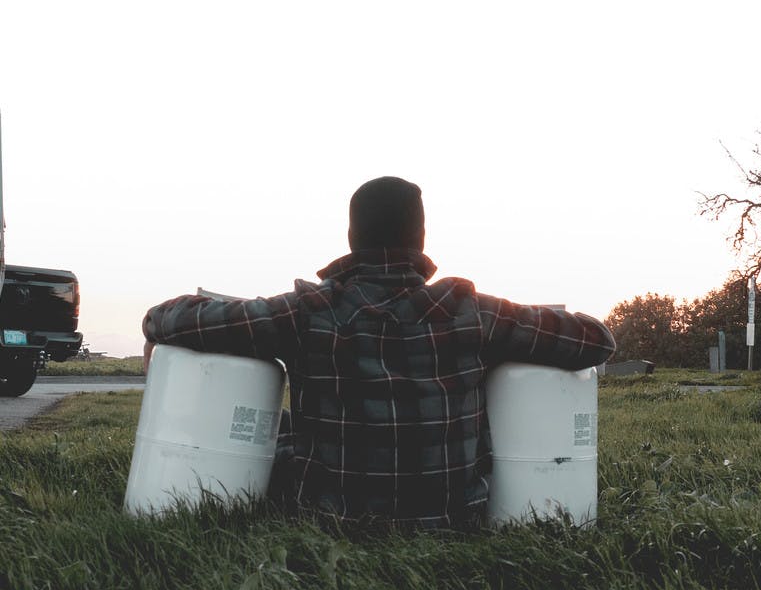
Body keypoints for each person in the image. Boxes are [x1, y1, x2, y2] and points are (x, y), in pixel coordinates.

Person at [142, 176, 615, 528]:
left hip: (331, 517)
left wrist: (180, 309)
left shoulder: (307, 310)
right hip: (451, 520)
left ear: (351, 238)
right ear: (421, 239)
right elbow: (596, 339)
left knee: (275, 435)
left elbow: (169, 319)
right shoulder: (474, 311)